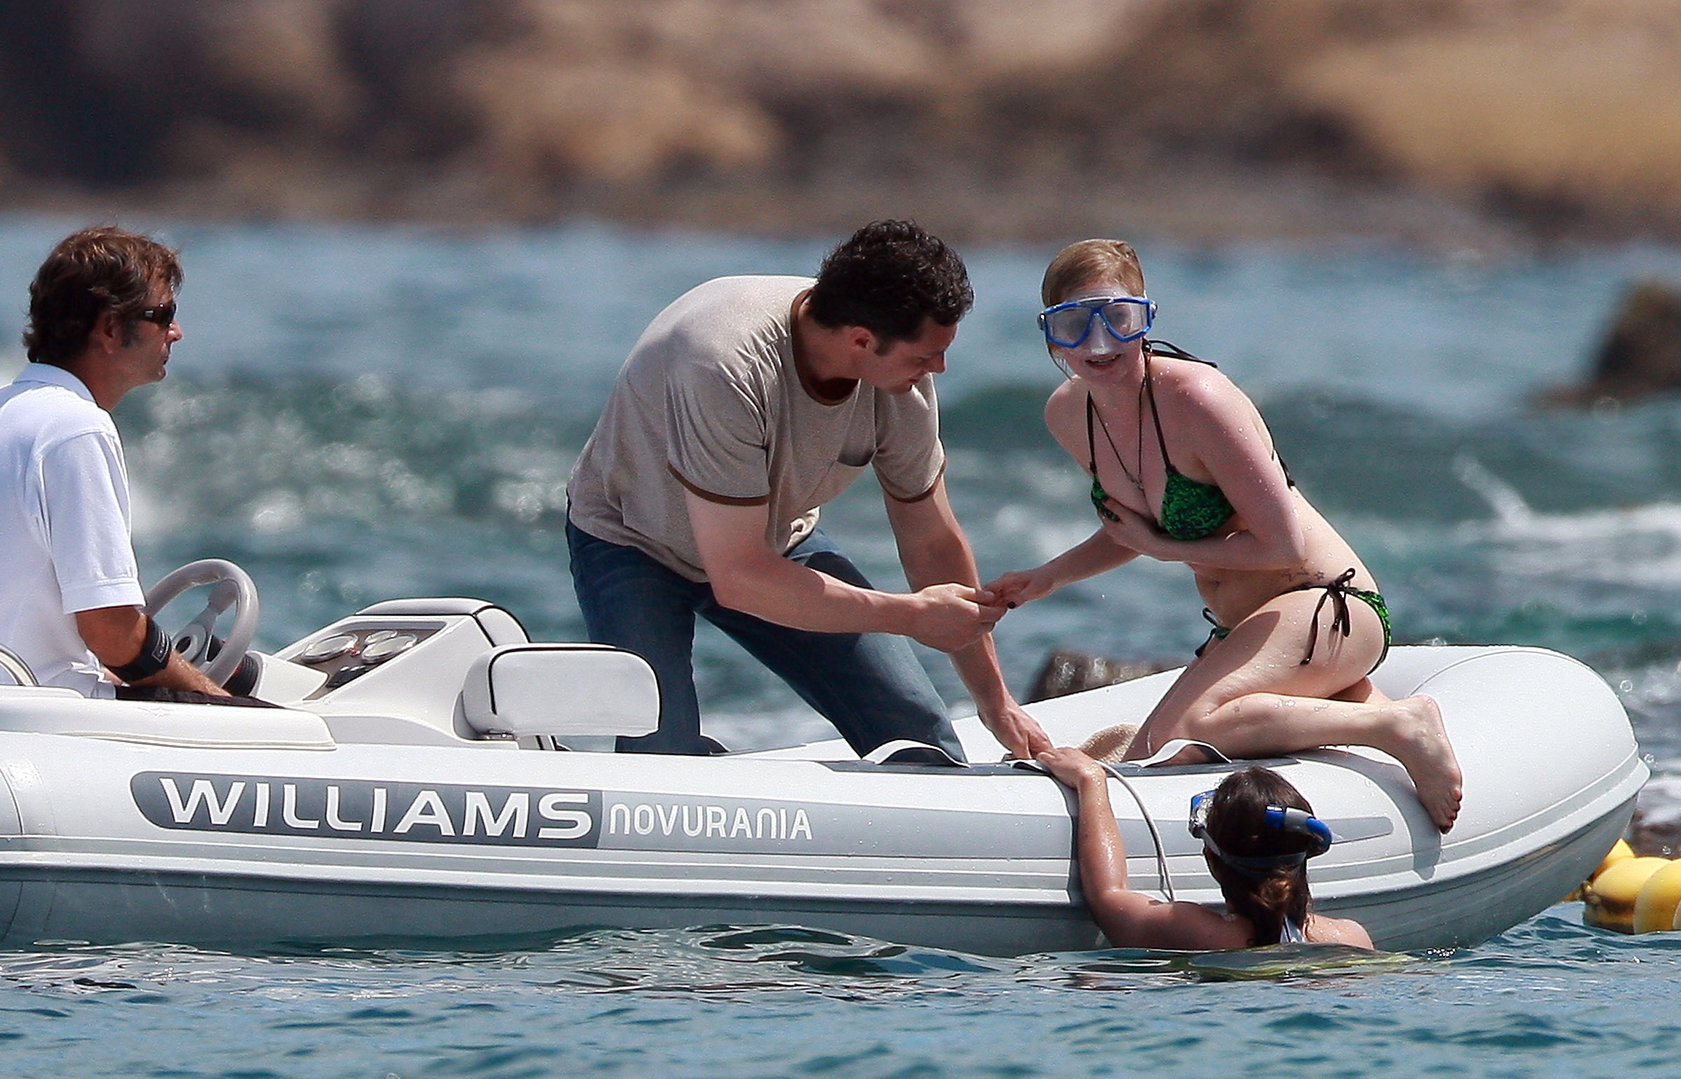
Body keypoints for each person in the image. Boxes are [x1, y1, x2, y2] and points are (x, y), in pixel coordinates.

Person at [987, 239, 1461, 831]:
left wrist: (1160, 548)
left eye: (1119, 317)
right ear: (1050, 334)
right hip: (1250, 633)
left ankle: (1398, 724)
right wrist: (1045, 577)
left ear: (1146, 318)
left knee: (1183, 735)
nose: (1099, 342)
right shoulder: (1069, 414)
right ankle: (1359, 712)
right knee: (1151, 752)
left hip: (1331, 607)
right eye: (1075, 324)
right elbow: (1129, 528)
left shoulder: (1198, 398)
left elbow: (1282, 545)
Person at [566, 220, 1049, 760]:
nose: (939, 368)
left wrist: (995, 701)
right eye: (923, 356)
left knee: (920, 742)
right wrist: (908, 615)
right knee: (662, 758)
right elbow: (742, 580)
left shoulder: (900, 383)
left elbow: (932, 543)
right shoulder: (724, 364)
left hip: (775, 542)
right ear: (861, 340)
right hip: (633, 539)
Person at [0, 225, 230, 700]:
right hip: (44, 720)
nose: (177, 332)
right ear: (108, 328)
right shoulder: (75, 428)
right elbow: (111, 631)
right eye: (163, 315)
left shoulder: (13, 412)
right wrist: (220, 700)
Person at [1039, 748, 1373, 949]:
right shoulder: (1349, 938)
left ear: (1211, 858)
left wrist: (1091, 780)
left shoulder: (1192, 930)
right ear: (1309, 851)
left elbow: (1108, 894)